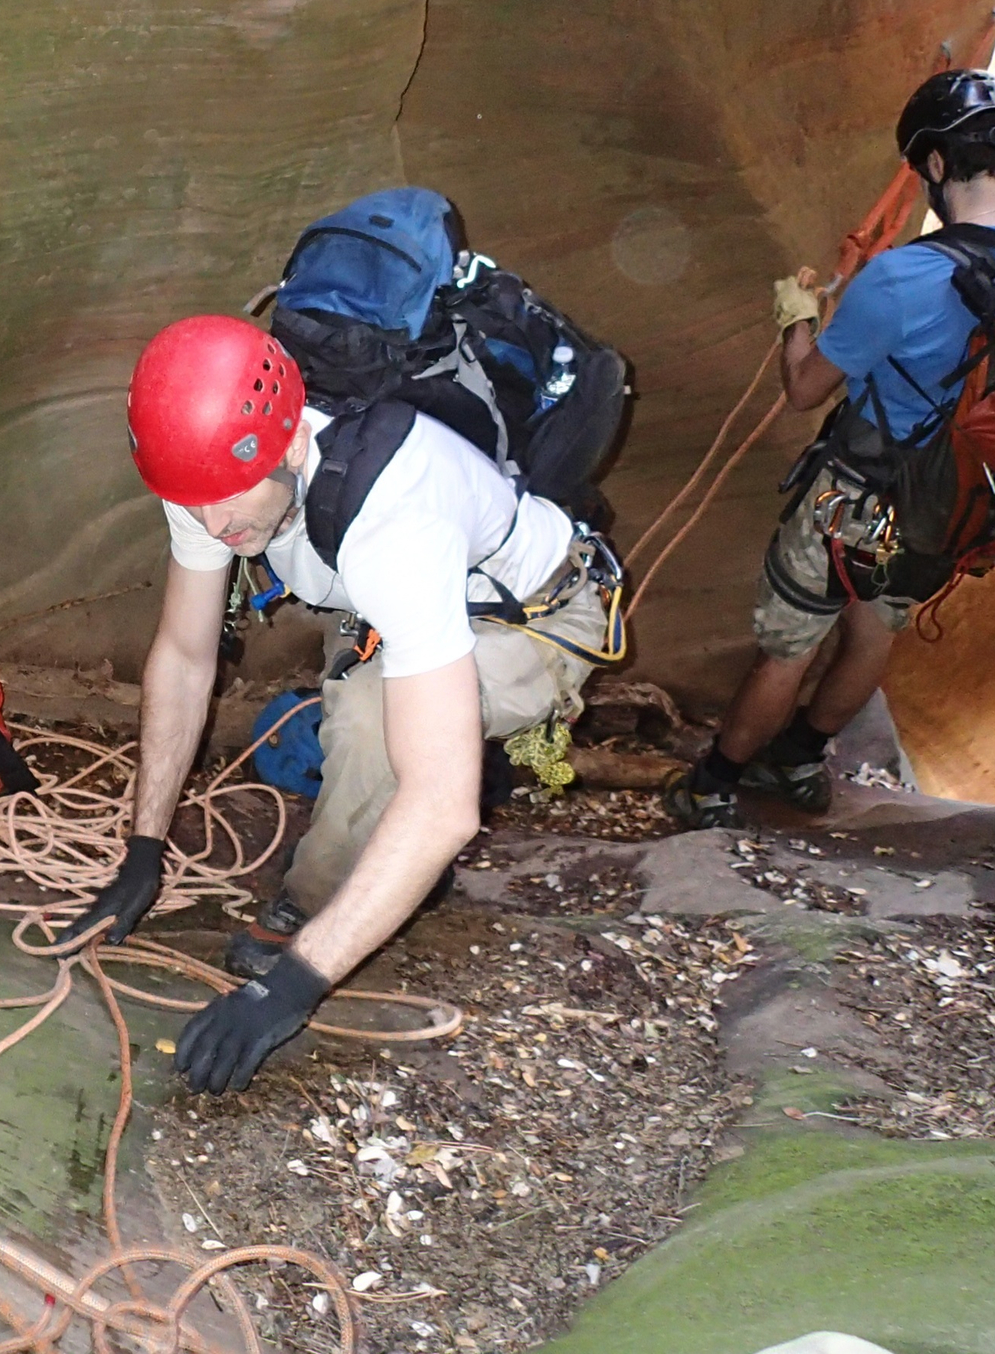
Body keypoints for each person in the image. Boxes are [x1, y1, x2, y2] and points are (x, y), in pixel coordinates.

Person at [69, 315, 619, 1093]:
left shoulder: (394, 520)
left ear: (291, 442)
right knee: (367, 713)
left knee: (367, 723)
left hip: (536, 615)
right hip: (400, 602)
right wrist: (143, 849)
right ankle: (394, 864)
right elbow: (187, 656)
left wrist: (286, 988)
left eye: (225, 505)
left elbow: (442, 805)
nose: (213, 528)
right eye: (193, 507)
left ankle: (312, 905)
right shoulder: (210, 478)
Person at [666, 70, 995, 829]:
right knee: (873, 628)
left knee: (790, 645)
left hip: (855, 498)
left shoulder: (904, 277)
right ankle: (798, 759)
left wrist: (795, 317)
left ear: (933, 165)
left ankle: (714, 782)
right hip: (948, 502)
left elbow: (804, 388)